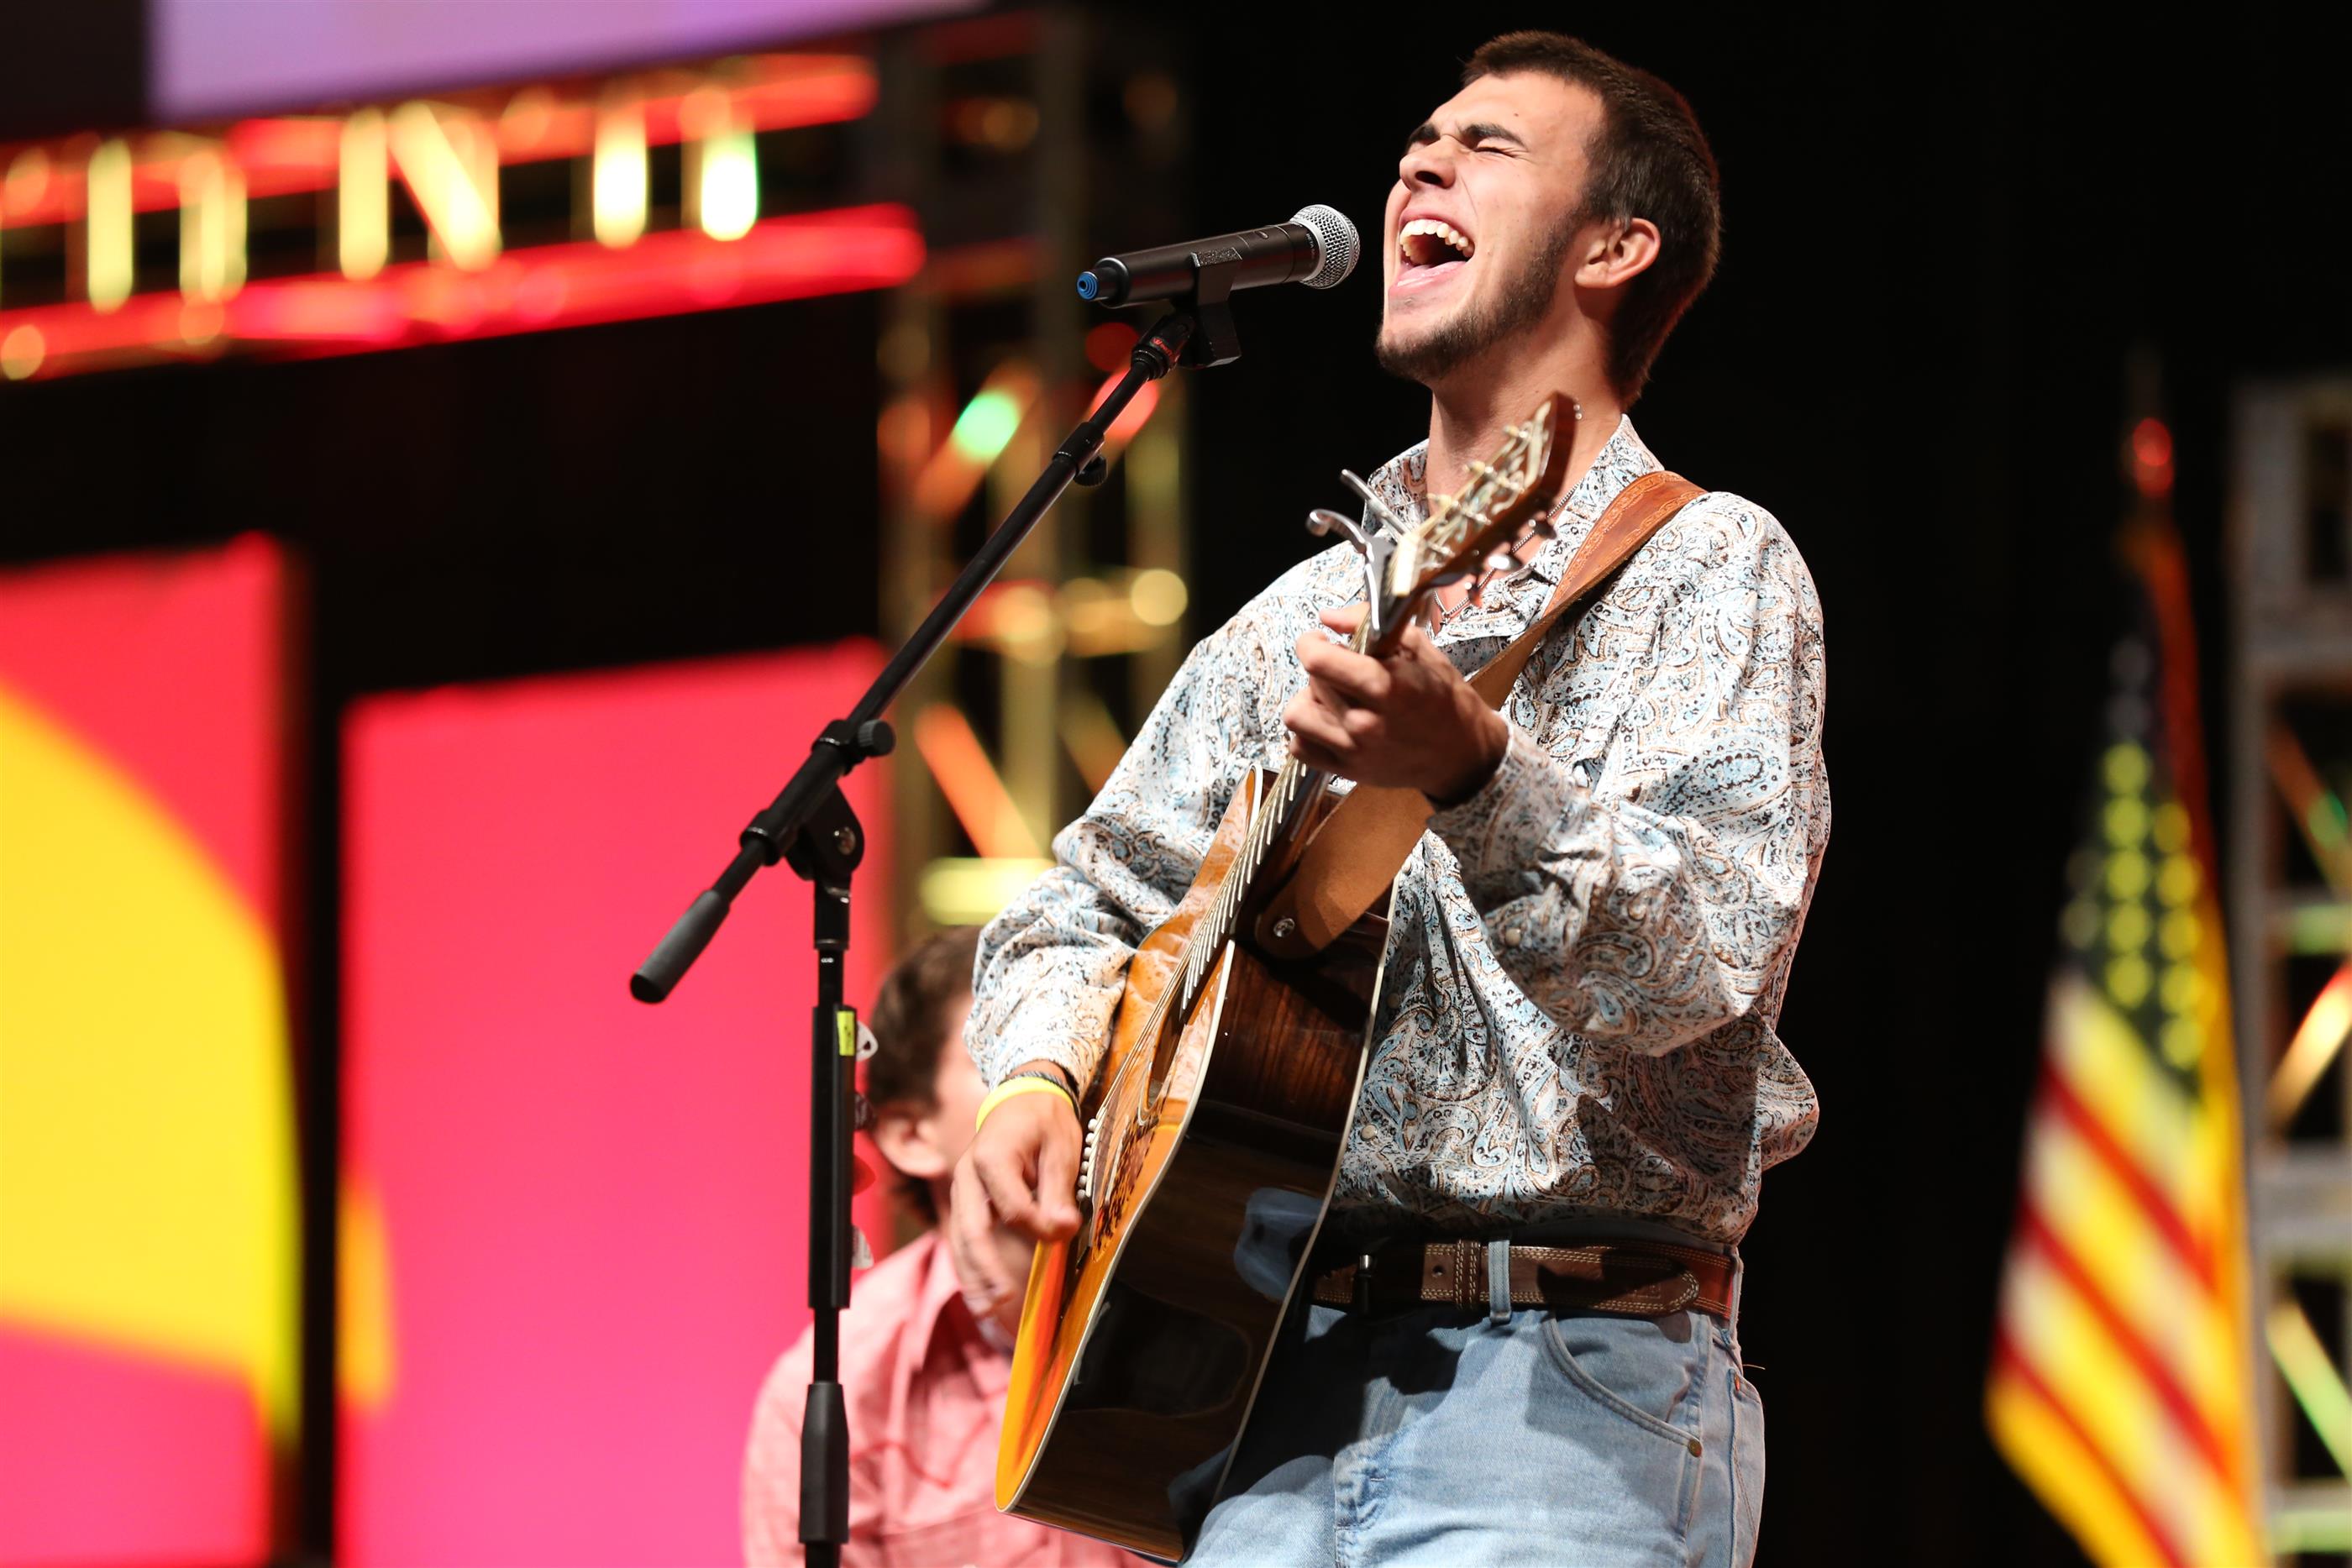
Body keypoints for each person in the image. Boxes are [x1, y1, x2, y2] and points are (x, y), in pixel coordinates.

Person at [952, 30, 1828, 1568]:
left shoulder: (1713, 566)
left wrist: (1477, 775)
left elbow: (1699, 967)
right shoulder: (1302, 617)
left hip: (1567, 1388)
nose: (1421, 162)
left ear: (1614, 247)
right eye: (1420, 139)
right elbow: (1081, 905)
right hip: (1259, 1392)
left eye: (1488, 147)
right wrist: (1037, 1078)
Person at [742, 927, 1147, 1567]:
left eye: (1087, 1046)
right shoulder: (838, 1387)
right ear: (910, 1135)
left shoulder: (1215, 1283)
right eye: (1002, 1056)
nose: (1071, 1082)